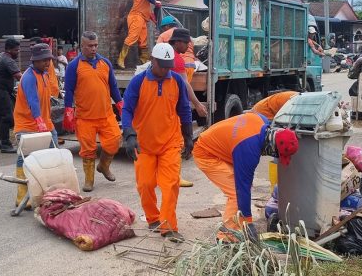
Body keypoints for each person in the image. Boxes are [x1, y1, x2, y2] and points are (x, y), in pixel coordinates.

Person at [121, 42, 193, 241]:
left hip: (170, 142)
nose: (165, 70)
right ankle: (153, 217)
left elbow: (184, 109)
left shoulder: (177, 81)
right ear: (152, 60)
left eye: (168, 66)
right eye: (162, 65)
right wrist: (129, 135)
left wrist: (188, 137)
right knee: (145, 184)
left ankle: (168, 226)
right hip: (144, 144)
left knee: (170, 184)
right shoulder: (138, 82)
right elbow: (126, 109)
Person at [193, 112, 299, 243]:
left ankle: (236, 226)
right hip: (206, 153)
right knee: (236, 193)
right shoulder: (249, 151)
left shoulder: (262, 121)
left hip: (220, 145)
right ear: (273, 147)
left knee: (243, 187)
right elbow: (241, 188)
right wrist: (248, 222)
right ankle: (226, 238)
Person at [62, 31, 123, 192]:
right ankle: (89, 180)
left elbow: (114, 87)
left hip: (106, 115)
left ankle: (103, 166)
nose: (93, 48)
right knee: (88, 151)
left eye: (95, 45)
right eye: (90, 46)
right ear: (82, 46)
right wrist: (68, 111)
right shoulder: (74, 66)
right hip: (85, 118)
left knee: (115, 142)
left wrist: (121, 105)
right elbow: (68, 90)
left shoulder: (105, 63)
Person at [12, 42, 59, 206]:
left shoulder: (44, 74)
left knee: (54, 157)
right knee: (25, 159)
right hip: (27, 126)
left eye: (49, 60)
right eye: (44, 60)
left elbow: (45, 98)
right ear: (35, 61)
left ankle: (53, 193)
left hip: (46, 124)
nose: (47, 63)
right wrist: (39, 121)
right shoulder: (29, 77)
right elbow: (32, 101)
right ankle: (22, 197)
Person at [165, 27, 207, 188]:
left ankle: (163, 175)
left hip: (163, 106)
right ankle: (175, 177)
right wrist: (197, 104)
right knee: (175, 143)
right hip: (172, 107)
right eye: (187, 44)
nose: (189, 47)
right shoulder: (176, 60)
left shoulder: (166, 54)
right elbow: (185, 86)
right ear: (178, 42)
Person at [117, 0, 160, 68]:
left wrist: (153, 17)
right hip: (136, 16)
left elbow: (147, 5)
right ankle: (120, 59)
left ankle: (144, 62)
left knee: (143, 41)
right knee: (132, 37)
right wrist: (155, 2)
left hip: (142, 18)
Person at [0, 38, 22, 153]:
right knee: (7, 117)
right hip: (0, 91)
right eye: (16, 50)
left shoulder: (0, 55)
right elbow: (19, 77)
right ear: (9, 49)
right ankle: (6, 144)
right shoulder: (8, 60)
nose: (18, 52)